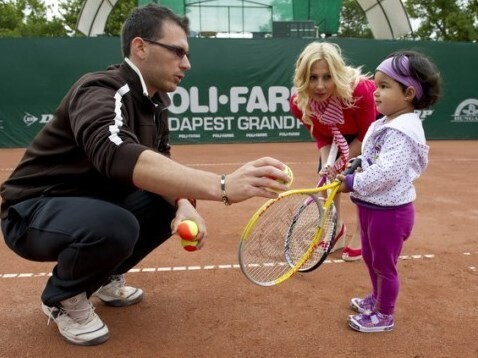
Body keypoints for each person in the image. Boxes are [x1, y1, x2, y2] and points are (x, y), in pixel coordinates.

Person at [0, 4, 291, 346]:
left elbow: (160, 164)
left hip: (86, 204)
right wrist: (222, 185)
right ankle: (63, 297)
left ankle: (105, 276)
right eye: (178, 52)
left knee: (171, 198)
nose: (187, 64)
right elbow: (115, 154)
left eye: (188, 54)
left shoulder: (155, 105)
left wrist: (184, 203)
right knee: (117, 226)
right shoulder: (100, 89)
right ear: (140, 47)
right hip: (31, 213)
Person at [337, 50, 441, 332]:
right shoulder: (385, 122)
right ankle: (377, 298)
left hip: (391, 214)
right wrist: (357, 164)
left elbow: (387, 172)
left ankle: (385, 315)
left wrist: (352, 182)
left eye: (384, 86)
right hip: (373, 206)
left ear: (409, 93)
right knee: (371, 258)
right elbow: (374, 158)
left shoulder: (403, 130)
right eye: (376, 85)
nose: (376, 92)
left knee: (384, 265)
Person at [289, 41, 378, 261]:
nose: (319, 86)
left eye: (327, 77)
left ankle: (363, 234)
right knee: (329, 184)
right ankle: (335, 230)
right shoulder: (298, 103)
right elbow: (321, 134)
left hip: (374, 130)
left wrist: (342, 164)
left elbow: (367, 135)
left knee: (362, 182)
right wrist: (329, 165)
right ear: (303, 78)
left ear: (336, 75)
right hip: (339, 134)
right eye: (312, 77)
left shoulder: (360, 91)